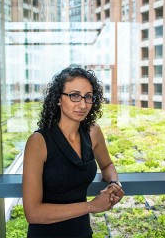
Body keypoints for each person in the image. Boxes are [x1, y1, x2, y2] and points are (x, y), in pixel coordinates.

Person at [22, 66, 125, 237]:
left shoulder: (93, 133)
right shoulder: (38, 142)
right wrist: (92, 206)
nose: (83, 104)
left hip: (82, 232)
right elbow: (33, 213)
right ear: (58, 99)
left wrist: (114, 183)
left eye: (88, 97)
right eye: (74, 96)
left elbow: (107, 164)